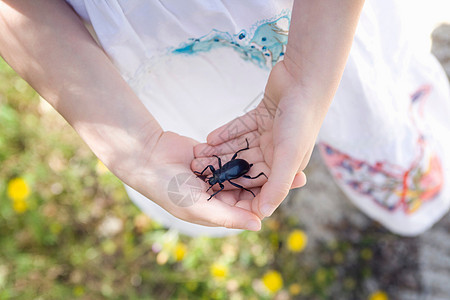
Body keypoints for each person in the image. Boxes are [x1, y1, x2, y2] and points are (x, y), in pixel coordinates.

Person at [0, 0, 448, 237]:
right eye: (216, 178)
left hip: (318, 30)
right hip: (163, 59)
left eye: (215, 179)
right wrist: (135, 145)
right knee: (284, 141)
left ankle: (397, 169)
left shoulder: (220, 170)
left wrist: (306, 79)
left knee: (363, 103)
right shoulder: (218, 169)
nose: (216, 177)